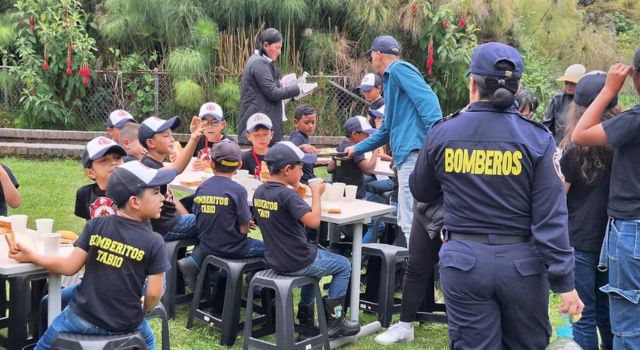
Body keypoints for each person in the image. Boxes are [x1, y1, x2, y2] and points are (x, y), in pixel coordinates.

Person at [407, 42, 583, 348]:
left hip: (464, 261)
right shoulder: (537, 138)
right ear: (517, 89)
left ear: (472, 85)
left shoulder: (444, 132)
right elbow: (551, 216)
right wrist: (565, 281)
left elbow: (421, 189)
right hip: (523, 266)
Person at [10, 161, 173, 350]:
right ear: (134, 202)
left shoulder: (96, 225)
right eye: (155, 193)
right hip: (126, 323)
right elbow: (153, 293)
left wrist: (33, 257)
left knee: (44, 346)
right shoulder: (155, 241)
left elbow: (69, 267)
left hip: (80, 317)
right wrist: (145, 308)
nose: (163, 198)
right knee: (150, 341)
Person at [252, 141, 360, 338]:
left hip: (275, 260)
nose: (303, 173)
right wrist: (316, 194)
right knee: (343, 265)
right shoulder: (287, 196)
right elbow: (313, 222)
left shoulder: (261, 192)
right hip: (298, 260)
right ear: (287, 169)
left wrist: (298, 189)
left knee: (317, 264)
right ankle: (335, 321)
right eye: (301, 168)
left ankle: (306, 320)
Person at [571, 47, 640, 349]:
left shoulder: (632, 124)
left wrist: (609, 88)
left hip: (623, 232)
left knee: (623, 323)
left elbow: (580, 134)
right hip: (609, 238)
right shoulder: (626, 127)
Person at [344, 35, 442, 246]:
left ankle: (413, 275)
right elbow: (386, 129)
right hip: (405, 158)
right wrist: (357, 148)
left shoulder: (399, 69)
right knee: (405, 219)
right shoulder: (390, 80)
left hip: (413, 155)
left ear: (378, 54)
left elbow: (429, 102)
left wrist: (436, 140)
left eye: (371, 56)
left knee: (409, 222)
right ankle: (410, 273)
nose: (371, 61)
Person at [559, 71, 616, 350]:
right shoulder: (622, 142)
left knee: (582, 315)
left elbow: (559, 198)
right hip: (613, 240)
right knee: (609, 313)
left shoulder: (573, 149)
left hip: (579, 239)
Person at [177, 141, 264, 290]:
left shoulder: (201, 187)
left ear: (211, 163)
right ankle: (256, 289)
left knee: (216, 237)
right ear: (239, 165)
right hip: (234, 247)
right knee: (271, 250)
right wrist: (242, 223)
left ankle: (196, 262)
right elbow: (243, 230)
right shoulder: (238, 190)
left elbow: (204, 216)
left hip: (206, 243)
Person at [139, 115, 204, 241]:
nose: (172, 139)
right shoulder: (148, 167)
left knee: (202, 197)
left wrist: (189, 218)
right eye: (166, 136)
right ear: (150, 143)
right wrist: (194, 138)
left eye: (171, 135)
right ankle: (200, 257)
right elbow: (177, 168)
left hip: (173, 219)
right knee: (216, 218)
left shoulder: (156, 163)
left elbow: (171, 198)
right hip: (165, 227)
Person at [237, 28, 301, 144]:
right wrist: (298, 89)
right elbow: (272, 93)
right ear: (266, 45)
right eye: (277, 47)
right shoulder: (258, 63)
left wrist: (291, 91)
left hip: (264, 123)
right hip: (259, 127)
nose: (279, 52)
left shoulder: (264, 62)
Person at [75, 137, 127, 220]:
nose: (114, 163)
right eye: (104, 160)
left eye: (118, 157)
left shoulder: (133, 191)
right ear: (90, 173)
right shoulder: (85, 194)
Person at [543, 64, 586, 144]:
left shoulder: (586, 101)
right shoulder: (558, 99)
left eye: (573, 83)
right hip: (557, 147)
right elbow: (546, 126)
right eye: (567, 83)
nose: (569, 86)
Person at [192, 102, 230, 171]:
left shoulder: (229, 144)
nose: (209, 126)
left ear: (223, 124)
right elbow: (187, 158)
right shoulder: (197, 140)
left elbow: (234, 167)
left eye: (215, 122)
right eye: (205, 122)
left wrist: (212, 166)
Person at [289, 104, 319, 184]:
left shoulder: (304, 136)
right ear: (296, 123)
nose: (310, 126)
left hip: (308, 177)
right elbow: (289, 154)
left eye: (313, 122)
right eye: (306, 123)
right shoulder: (297, 137)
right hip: (303, 181)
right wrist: (301, 147)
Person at [241, 113, 273, 178]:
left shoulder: (277, 156)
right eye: (257, 135)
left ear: (271, 135)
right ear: (248, 136)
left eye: (265, 134)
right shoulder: (244, 158)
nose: (262, 138)